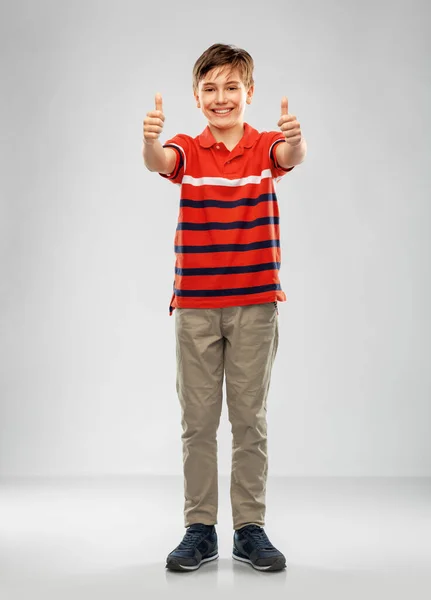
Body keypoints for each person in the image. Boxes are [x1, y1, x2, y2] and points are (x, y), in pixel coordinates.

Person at [142, 43, 307, 572]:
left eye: (231, 87)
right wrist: (149, 141)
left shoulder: (263, 145)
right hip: (195, 307)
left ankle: (249, 529)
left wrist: (297, 143)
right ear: (197, 96)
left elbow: (289, 158)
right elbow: (161, 162)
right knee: (198, 421)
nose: (221, 98)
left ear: (248, 93)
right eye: (210, 88)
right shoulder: (189, 148)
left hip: (255, 305)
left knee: (249, 420)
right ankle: (199, 529)